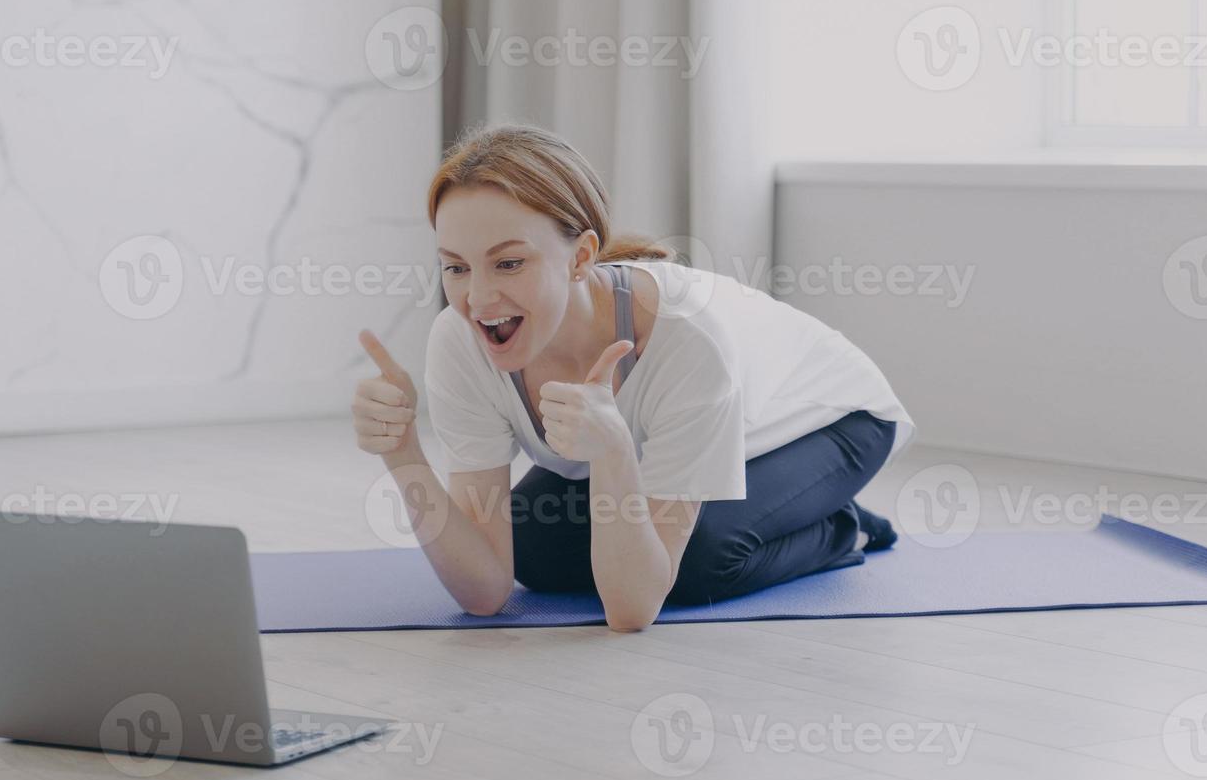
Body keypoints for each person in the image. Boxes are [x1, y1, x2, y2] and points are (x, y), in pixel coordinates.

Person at [351, 124, 916, 632]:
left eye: (509, 263)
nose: (477, 298)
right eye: (456, 267)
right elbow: (486, 593)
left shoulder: (686, 338)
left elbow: (632, 610)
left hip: (831, 423)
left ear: (580, 257)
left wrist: (616, 456)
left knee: (694, 565)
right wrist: (404, 457)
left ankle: (842, 525)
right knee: (535, 550)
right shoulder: (461, 338)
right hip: (690, 438)